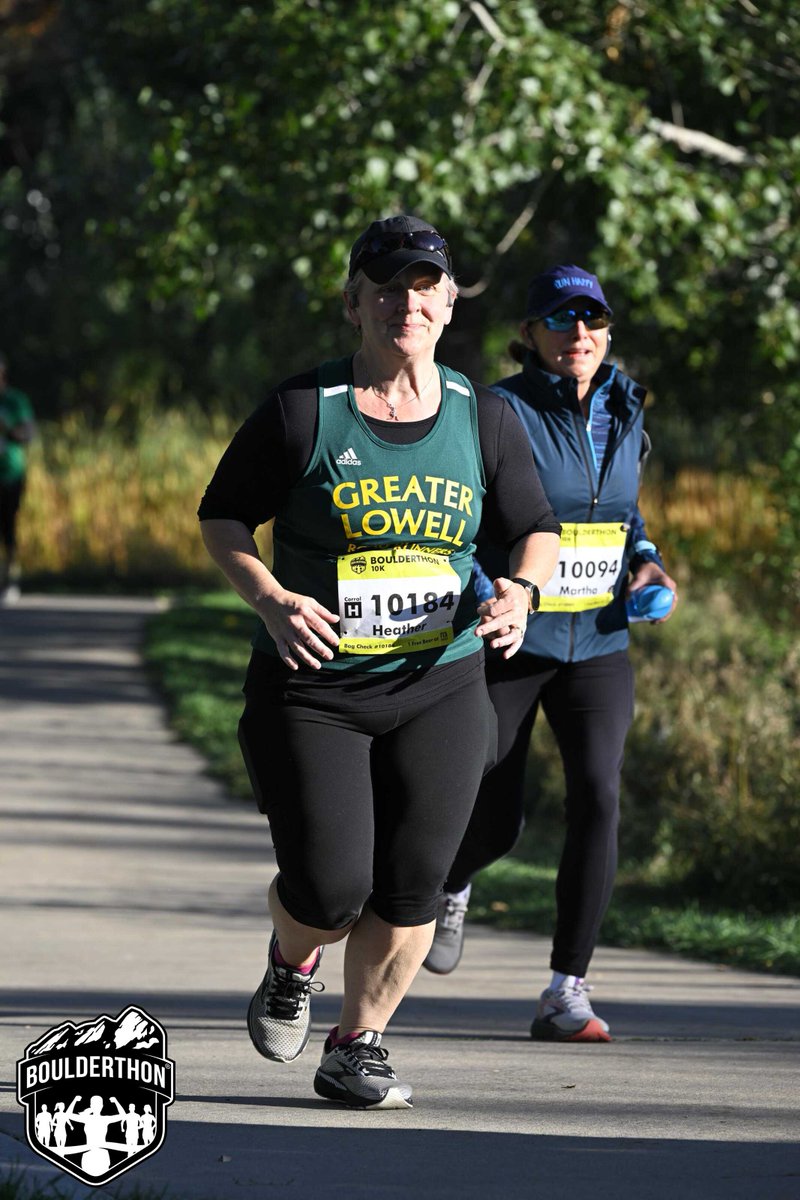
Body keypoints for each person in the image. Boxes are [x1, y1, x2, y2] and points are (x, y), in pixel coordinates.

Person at [199, 214, 561, 1109]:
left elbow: (536, 529)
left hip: (442, 682)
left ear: (447, 306)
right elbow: (223, 516)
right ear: (354, 304)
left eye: (425, 285)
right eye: (388, 286)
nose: (408, 301)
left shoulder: (487, 417)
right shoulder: (302, 410)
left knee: (415, 885)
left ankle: (358, 1044)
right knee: (330, 885)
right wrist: (272, 600)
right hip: (316, 689)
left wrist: (521, 592)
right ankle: (293, 962)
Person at [424, 264, 678, 1043]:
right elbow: (463, 520)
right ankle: (453, 880)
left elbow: (623, 511)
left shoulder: (628, 405)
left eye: (593, 320)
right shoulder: (498, 409)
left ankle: (567, 989)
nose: (580, 335)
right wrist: (488, 590)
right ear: (529, 333)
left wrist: (647, 561)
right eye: (562, 321)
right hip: (514, 635)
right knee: (494, 814)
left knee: (600, 794)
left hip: (598, 639)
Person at [0, 352, 36, 603]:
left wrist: (7, 429)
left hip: (9, 474)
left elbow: (28, 436)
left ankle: (11, 580)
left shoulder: (15, 401)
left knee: (8, 528)